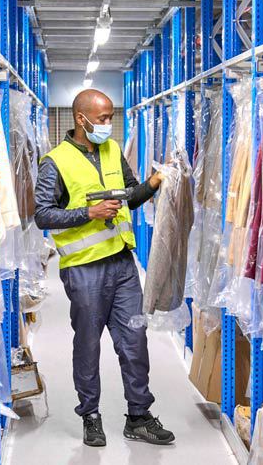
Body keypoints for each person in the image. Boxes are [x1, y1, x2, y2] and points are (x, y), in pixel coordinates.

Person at [34, 89, 175, 447]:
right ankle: (91, 416)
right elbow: (42, 215)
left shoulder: (112, 151)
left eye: (111, 117)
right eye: (103, 118)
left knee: (135, 341)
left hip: (123, 265)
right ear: (81, 119)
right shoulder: (55, 161)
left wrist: (155, 182)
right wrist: (89, 213)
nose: (109, 125)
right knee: (88, 345)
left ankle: (139, 416)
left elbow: (131, 195)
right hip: (84, 270)